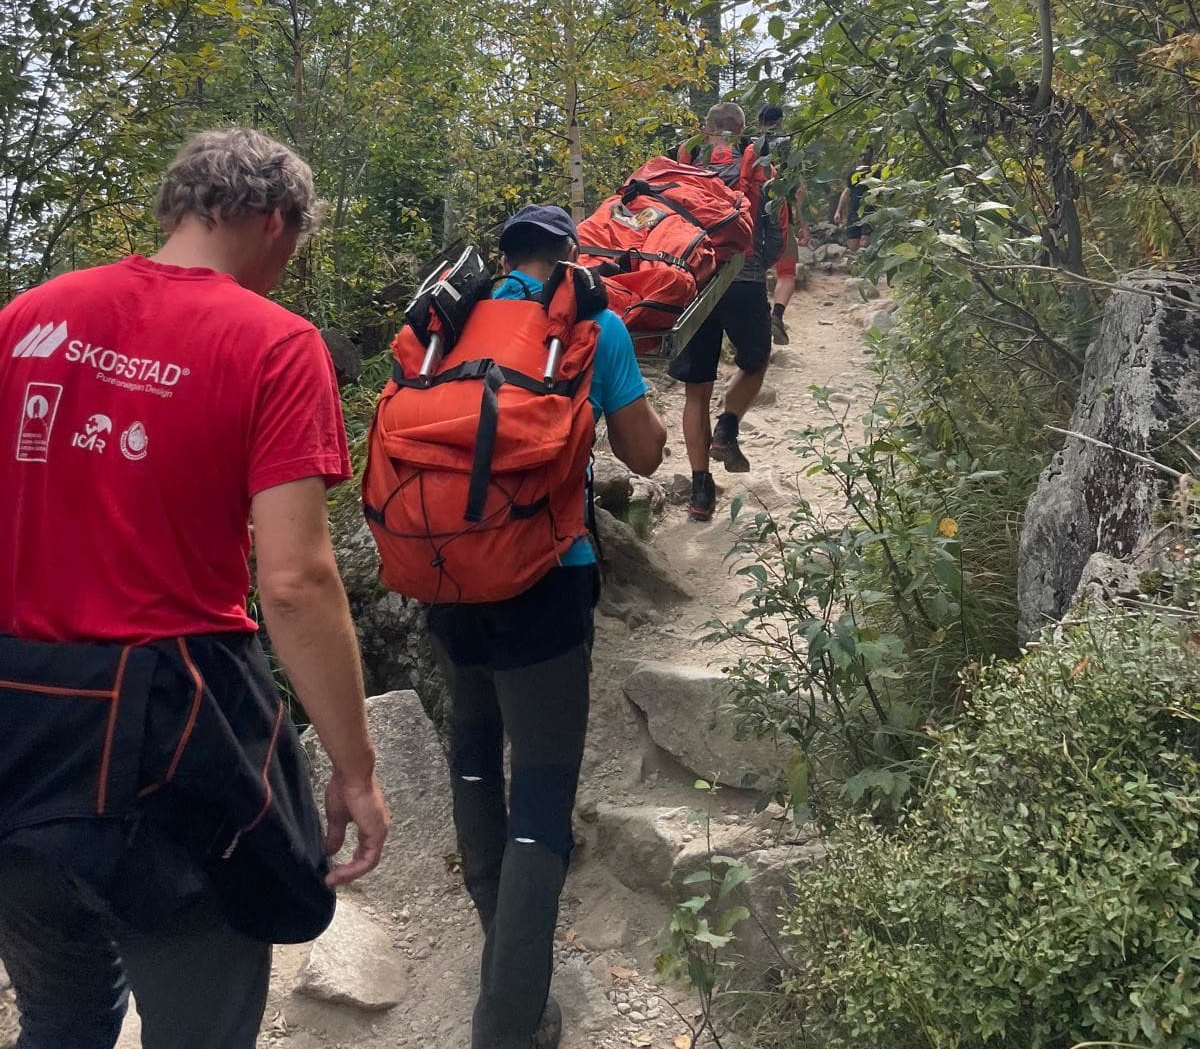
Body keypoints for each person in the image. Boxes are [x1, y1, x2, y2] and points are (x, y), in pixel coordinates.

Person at [0, 128, 389, 1049]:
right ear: (271, 219)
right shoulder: (274, 345)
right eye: (294, 243)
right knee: (202, 1026)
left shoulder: (27, 319)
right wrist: (357, 769)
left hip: (16, 732)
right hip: (170, 746)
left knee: (62, 1013)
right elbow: (293, 581)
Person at [426, 204, 666, 1049]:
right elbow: (644, 455)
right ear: (570, 253)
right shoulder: (591, 325)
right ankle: (510, 1017)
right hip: (545, 587)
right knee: (541, 798)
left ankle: (504, 951)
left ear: (503, 257)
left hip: (445, 575)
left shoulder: (449, 323)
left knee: (473, 762)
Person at [671, 102, 773, 521]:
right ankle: (728, 426)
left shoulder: (684, 159)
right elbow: (773, 217)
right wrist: (765, 261)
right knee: (756, 360)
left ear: (708, 128)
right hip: (742, 278)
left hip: (693, 279)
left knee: (696, 391)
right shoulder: (756, 158)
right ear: (741, 130)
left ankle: (700, 491)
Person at [756, 104, 810, 347]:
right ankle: (776, 315)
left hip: (751, 217)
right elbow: (799, 191)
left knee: (751, 270)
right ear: (781, 120)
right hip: (781, 215)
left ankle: (756, 318)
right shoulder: (789, 146)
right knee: (786, 272)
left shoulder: (749, 143)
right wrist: (804, 224)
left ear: (760, 121)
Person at [835, 145, 879, 251]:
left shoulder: (876, 173)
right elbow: (846, 193)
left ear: (871, 157)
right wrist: (838, 211)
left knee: (865, 242)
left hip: (870, 212)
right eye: (861, 155)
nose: (863, 158)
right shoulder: (853, 174)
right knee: (853, 246)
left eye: (866, 155)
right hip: (854, 213)